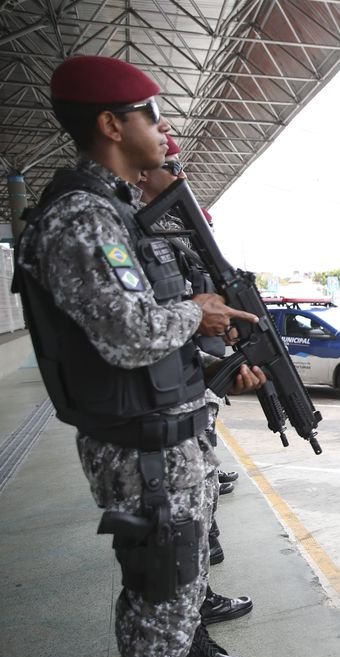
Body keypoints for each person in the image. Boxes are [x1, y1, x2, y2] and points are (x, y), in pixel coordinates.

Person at [14, 55, 263, 657]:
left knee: (173, 579)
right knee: (161, 586)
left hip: (156, 430)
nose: (163, 127)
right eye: (151, 112)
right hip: (139, 443)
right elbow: (128, 334)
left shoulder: (111, 211)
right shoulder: (83, 217)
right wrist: (197, 311)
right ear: (111, 124)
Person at [137, 140, 254, 626]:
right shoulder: (103, 222)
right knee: (168, 559)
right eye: (170, 166)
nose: (177, 174)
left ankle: (196, 623)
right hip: (148, 421)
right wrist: (194, 315)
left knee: (186, 546)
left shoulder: (151, 235)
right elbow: (129, 333)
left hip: (176, 400)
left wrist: (210, 368)